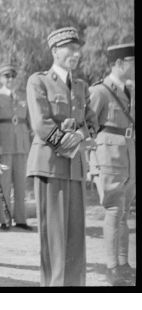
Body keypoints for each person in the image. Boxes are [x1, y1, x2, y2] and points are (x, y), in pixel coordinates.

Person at [26, 27, 96, 287]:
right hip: (49, 167)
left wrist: (78, 135)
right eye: (70, 48)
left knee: (76, 238)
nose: (76, 54)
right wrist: (64, 140)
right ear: (55, 50)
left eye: (78, 49)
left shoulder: (82, 86)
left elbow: (92, 122)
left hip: (76, 168)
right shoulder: (39, 81)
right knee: (54, 238)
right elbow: (40, 123)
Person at [89, 43, 135, 286]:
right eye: (132, 62)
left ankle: (124, 262)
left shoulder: (130, 90)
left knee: (124, 213)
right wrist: (93, 165)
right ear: (119, 64)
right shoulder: (100, 91)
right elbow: (88, 128)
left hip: (128, 155)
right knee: (114, 211)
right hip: (109, 157)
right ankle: (112, 266)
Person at [0, 64, 32, 230]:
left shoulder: (23, 96)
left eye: (12, 76)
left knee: (21, 184)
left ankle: (21, 219)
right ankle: (5, 220)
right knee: (4, 184)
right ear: (0, 78)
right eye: (6, 76)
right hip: (5, 143)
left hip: (21, 144)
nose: (10, 79)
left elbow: (30, 122)